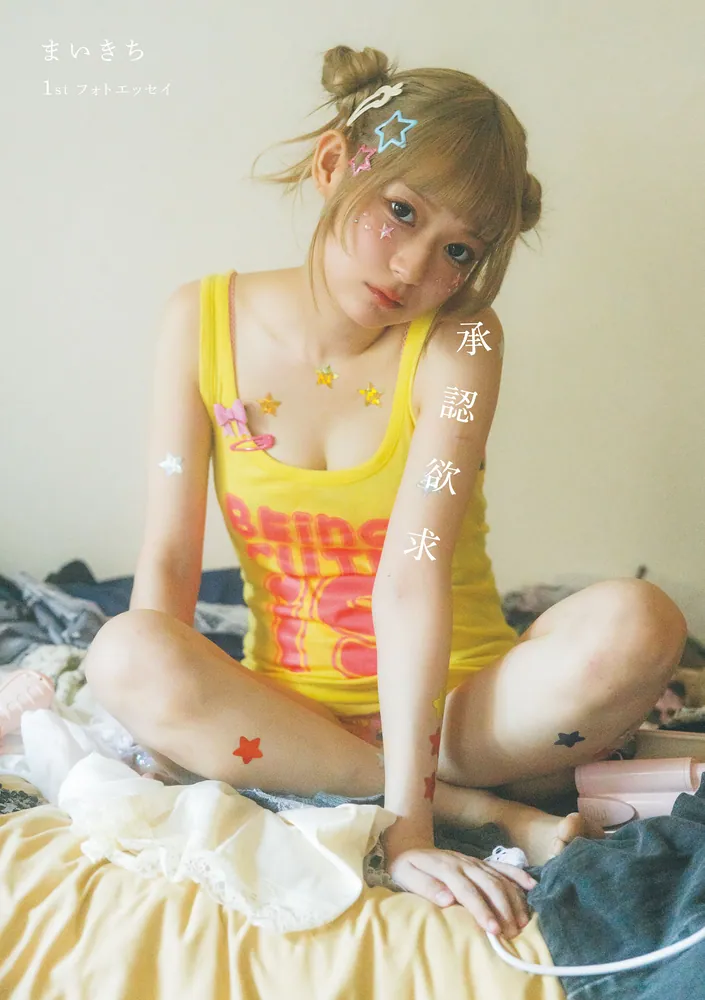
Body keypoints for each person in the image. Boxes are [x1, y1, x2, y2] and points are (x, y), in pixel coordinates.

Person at [84, 45, 688, 941]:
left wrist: (409, 827)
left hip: (463, 713)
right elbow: (170, 556)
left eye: (457, 250)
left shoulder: (462, 343)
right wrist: (160, 726)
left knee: (641, 621)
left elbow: (411, 574)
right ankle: (477, 805)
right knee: (124, 653)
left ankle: (403, 784)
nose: (411, 267)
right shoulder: (197, 320)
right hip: (284, 712)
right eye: (399, 211)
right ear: (333, 164)